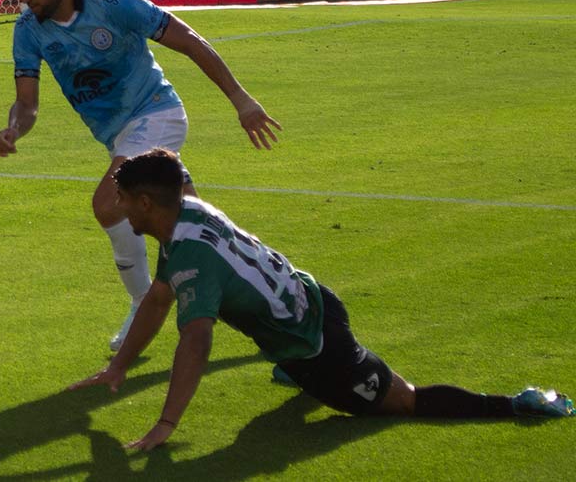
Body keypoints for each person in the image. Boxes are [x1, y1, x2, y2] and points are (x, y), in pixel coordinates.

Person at [69, 149, 573, 451]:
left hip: (316, 344)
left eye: (123, 198)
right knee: (263, 429)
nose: (114, 207)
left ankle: (517, 404)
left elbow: (195, 344)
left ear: (147, 203)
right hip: (310, 297)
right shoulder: (186, 213)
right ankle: (292, 367)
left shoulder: (191, 258)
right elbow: (158, 300)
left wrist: (165, 424)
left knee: (401, 402)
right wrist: (119, 369)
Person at [0, 0, 280, 350]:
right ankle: (279, 308)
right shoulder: (28, 30)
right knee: (199, 237)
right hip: (121, 137)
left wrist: (240, 99)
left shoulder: (112, 3)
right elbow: (27, 104)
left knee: (108, 203)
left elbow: (190, 41)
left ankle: (144, 301)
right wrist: (14, 128)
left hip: (157, 114)